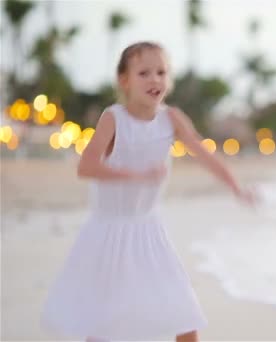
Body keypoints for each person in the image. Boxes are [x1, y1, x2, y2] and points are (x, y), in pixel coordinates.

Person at [41, 41, 254, 342]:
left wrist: (236, 186)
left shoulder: (172, 118)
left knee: (183, 315)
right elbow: (85, 167)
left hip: (150, 231)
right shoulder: (114, 118)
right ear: (124, 80)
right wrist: (136, 175)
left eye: (161, 72)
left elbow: (205, 154)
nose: (154, 79)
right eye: (144, 73)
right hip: (109, 232)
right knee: (104, 324)